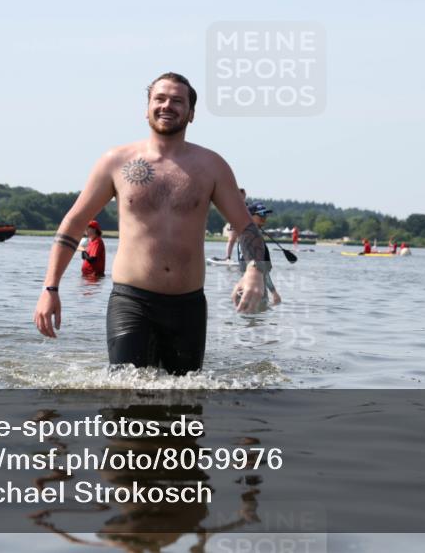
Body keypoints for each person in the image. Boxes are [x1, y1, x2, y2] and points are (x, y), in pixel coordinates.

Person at [33, 72, 267, 375]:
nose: (167, 105)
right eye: (160, 98)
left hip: (188, 306)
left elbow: (246, 227)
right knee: (125, 399)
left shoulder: (212, 167)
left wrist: (254, 271)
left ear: (191, 114)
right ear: (147, 109)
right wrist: (50, 287)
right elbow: (74, 222)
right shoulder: (116, 161)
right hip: (132, 301)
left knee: (185, 406)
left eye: (177, 101)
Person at [237, 203, 281, 306]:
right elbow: (260, 269)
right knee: (258, 319)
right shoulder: (253, 237)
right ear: (250, 215)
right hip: (255, 289)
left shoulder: (246, 234)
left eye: (265, 214)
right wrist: (274, 292)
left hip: (248, 288)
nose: (264, 217)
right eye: (261, 214)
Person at [223, 188, 247, 260]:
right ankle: (228, 257)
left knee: (242, 241)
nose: (243, 196)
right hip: (233, 223)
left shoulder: (246, 205)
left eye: (244, 195)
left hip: (242, 224)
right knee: (231, 240)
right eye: (241, 194)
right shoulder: (232, 203)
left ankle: (244, 258)